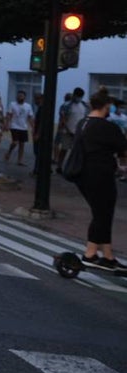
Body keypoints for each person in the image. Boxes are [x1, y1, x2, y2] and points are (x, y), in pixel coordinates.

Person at [71, 87, 127, 270]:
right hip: (100, 174)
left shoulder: (83, 123)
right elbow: (123, 148)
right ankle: (90, 254)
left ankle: (108, 256)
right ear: (106, 106)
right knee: (102, 213)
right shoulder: (107, 127)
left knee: (101, 213)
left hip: (83, 174)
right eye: (110, 105)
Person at [57, 87, 89, 174]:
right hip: (67, 132)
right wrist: (68, 130)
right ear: (74, 95)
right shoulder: (66, 105)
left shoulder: (84, 106)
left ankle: (73, 168)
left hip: (79, 132)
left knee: (77, 152)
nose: (78, 98)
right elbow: (63, 119)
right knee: (64, 149)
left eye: (80, 96)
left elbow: (86, 119)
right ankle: (59, 166)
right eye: (77, 96)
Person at [4, 90, 35, 166]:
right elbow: (9, 115)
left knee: (22, 144)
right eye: (18, 95)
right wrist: (7, 124)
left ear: (24, 97)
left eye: (21, 96)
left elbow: (30, 117)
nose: (19, 97)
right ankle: (9, 152)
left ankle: (20, 160)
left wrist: (33, 127)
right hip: (14, 126)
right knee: (15, 142)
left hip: (23, 127)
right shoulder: (12, 104)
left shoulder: (28, 106)